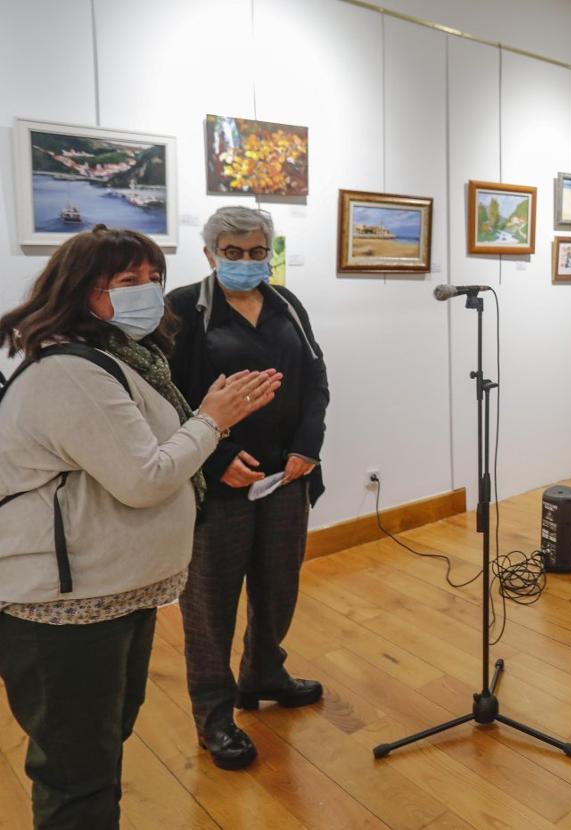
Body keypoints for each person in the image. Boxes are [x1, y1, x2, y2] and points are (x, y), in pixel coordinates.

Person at [0, 226, 278, 827]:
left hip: (115, 592)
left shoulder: (124, 361)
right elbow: (146, 477)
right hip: (65, 607)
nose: (149, 292)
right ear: (81, 290)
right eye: (129, 282)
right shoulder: (71, 373)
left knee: (104, 742)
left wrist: (210, 420)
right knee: (77, 772)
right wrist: (212, 419)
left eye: (153, 278)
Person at [167, 206, 330, 771]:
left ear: (269, 253)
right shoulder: (184, 309)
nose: (244, 262)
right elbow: (166, 400)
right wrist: (216, 460)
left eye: (256, 252)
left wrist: (309, 446)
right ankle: (214, 715)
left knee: (278, 583)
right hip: (221, 483)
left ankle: (264, 672)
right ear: (210, 254)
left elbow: (316, 381)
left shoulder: (288, 303)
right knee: (210, 604)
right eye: (231, 253)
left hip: (288, 475)